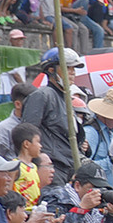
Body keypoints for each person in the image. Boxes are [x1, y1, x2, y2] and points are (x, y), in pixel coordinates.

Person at [20, 47, 82, 182]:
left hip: (69, 165)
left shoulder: (66, 98)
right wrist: (39, 159)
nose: (72, 73)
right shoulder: (42, 95)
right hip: (52, 165)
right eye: (67, 68)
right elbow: (28, 132)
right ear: (51, 70)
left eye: (73, 69)